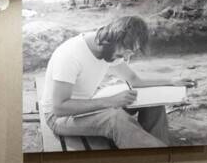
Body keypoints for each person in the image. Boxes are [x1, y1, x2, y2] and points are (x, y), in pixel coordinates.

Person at [41, 14, 185, 149]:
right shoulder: (71, 56)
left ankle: (157, 147)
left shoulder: (110, 49)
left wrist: (172, 81)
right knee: (115, 119)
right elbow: (59, 108)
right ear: (112, 38)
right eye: (127, 50)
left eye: (132, 52)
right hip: (60, 118)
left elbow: (134, 80)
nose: (127, 56)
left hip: (87, 104)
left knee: (153, 101)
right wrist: (110, 101)